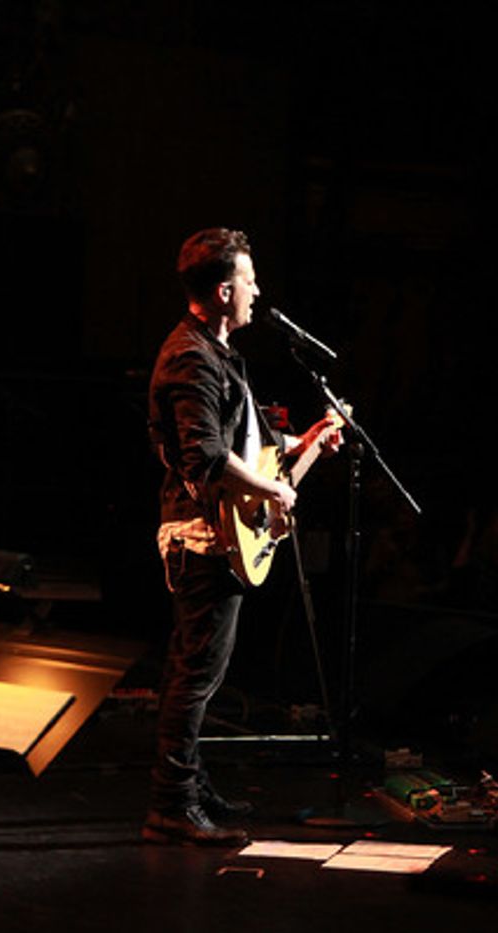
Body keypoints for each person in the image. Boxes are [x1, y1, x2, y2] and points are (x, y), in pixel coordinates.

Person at [144, 228, 341, 846]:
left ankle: (191, 788)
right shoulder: (191, 358)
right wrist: (274, 491)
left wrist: (306, 442)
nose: (258, 292)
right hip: (200, 534)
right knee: (195, 674)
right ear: (224, 290)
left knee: (198, 670)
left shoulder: (219, 353)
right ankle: (172, 805)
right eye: (250, 281)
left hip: (217, 530)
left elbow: (245, 444)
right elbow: (204, 455)